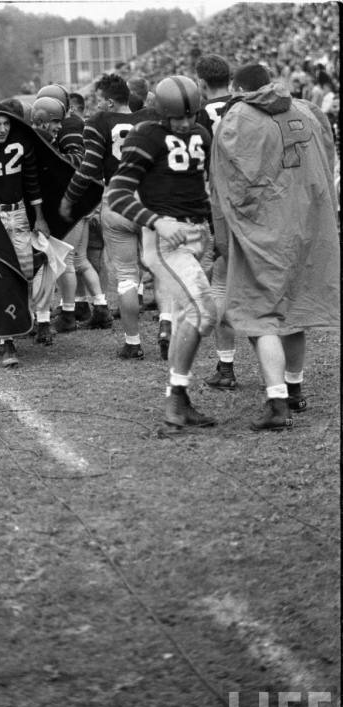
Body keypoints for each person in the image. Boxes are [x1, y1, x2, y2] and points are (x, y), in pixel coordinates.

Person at [210, 63, 339, 430]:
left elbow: (226, 184)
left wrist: (225, 233)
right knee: (295, 309)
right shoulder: (307, 110)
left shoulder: (237, 117)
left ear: (237, 87)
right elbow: (327, 166)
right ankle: (295, 390)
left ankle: (277, 402)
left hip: (265, 228)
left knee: (261, 315)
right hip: (308, 225)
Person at [0, 102, 102, 367]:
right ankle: (8, 342)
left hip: (20, 215)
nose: (2, 129)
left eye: (6, 124)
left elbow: (32, 182)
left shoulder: (22, 144)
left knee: (36, 268)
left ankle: (40, 319)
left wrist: (41, 218)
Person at [107, 75, 217, 429]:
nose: (186, 124)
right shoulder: (147, 136)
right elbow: (119, 195)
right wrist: (156, 221)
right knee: (205, 311)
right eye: (178, 118)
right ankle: (175, 396)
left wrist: (214, 229)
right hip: (166, 238)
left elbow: (203, 186)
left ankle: (179, 395)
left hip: (197, 232)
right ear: (163, 114)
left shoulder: (201, 133)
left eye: (191, 116)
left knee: (189, 317)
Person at [59, 73, 157, 359]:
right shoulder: (152, 118)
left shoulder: (99, 122)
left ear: (110, 100)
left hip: (118, 200)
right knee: (160, 269)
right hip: (152, 200)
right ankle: (166, 327)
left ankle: (133, 342)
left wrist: (70, 198)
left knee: (126, 275)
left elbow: (88, 168)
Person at [31, 96, 110, 335]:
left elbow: (73, 166)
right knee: (78, 260)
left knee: (65, 261)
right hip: (79, 204)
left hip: (72, 206)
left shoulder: (67, 132)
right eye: (55, 122)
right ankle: (98, 307)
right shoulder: (65, 132)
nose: (59, 126)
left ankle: (67, 313)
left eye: (58, 121)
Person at [195, 54, 237, 390]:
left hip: (217, 204)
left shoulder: (198, 115)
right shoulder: (247, 105)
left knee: (220, 285)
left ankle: (226, 366)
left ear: (202, 83)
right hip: (255, 204)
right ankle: (287, 381)